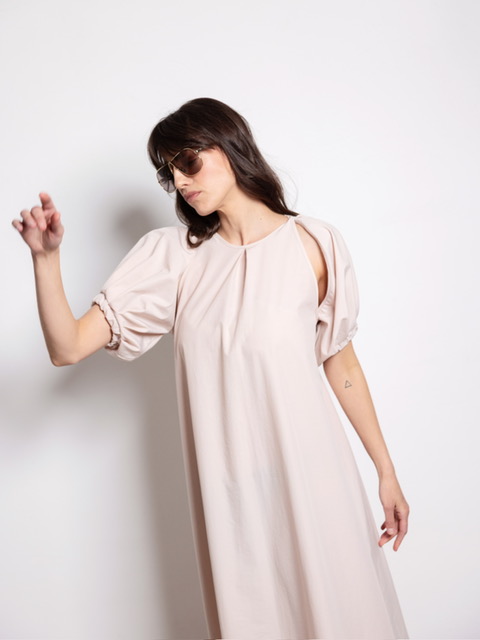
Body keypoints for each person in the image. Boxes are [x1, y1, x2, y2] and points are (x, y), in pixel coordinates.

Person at [12, 97, 410, 640]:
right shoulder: (173, 257)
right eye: (169, 172)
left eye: (188, 161)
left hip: (317, 477)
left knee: (343, 617)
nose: (180, 181)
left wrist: (385, 470)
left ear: (229, 146)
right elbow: (69, 347)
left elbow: (341, 363)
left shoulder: (314, 244)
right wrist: (45, 259)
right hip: (233, 499)